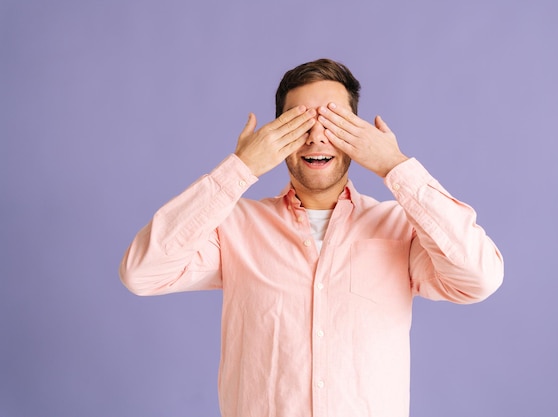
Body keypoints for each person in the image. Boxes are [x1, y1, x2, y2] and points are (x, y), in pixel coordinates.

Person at [119, 58, 504, 417]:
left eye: (334, 122)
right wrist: (239, 169)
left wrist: (394, 166)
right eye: (299, 123)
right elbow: (142, 273)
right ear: (276, 134)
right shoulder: (233, 227)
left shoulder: (402, 227)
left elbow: (479, 278)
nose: (317, 137)